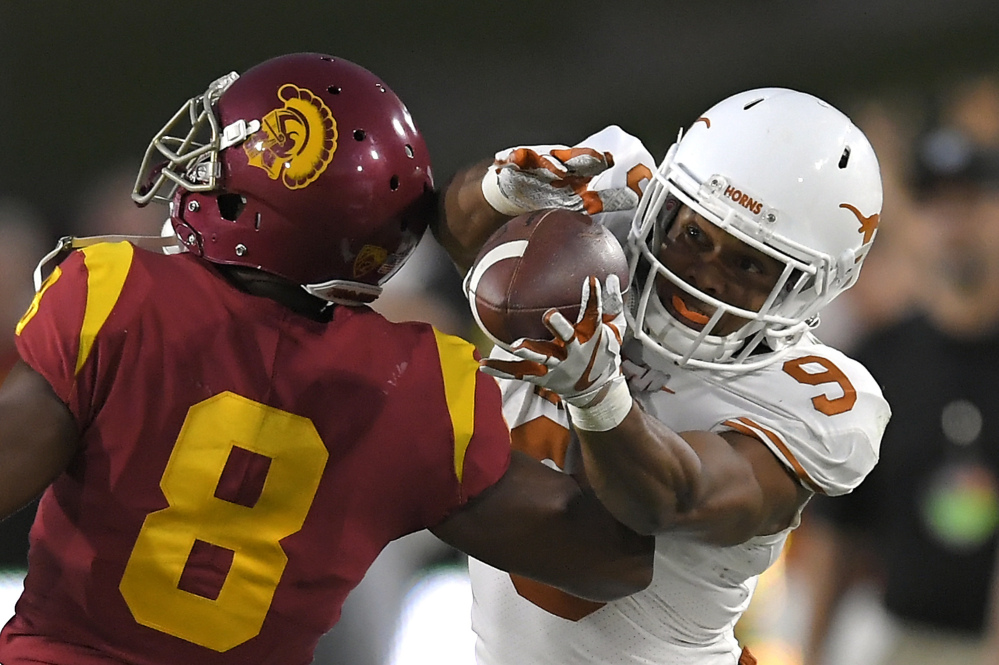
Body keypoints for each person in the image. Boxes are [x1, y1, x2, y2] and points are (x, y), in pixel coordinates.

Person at [0, 52, 655, 665]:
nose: (200, 167)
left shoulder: (120, 295)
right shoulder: (417, 388)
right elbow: (613, 559)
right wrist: (602, 390)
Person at [433, 87, 891, 665]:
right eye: (694, 234)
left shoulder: (807, 397)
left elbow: (674, 499)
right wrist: (504, 189)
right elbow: (457, 234)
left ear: (812, 287)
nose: (701, 276)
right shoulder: (603, 233)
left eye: (748, 262)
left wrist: (599, 396)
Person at [802, 76, 999, 665]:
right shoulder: (878, 360)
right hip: (905, 640)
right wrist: (811, 652)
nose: (953, 224)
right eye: (936, 205)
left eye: (972, 201)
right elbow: (839, 530)